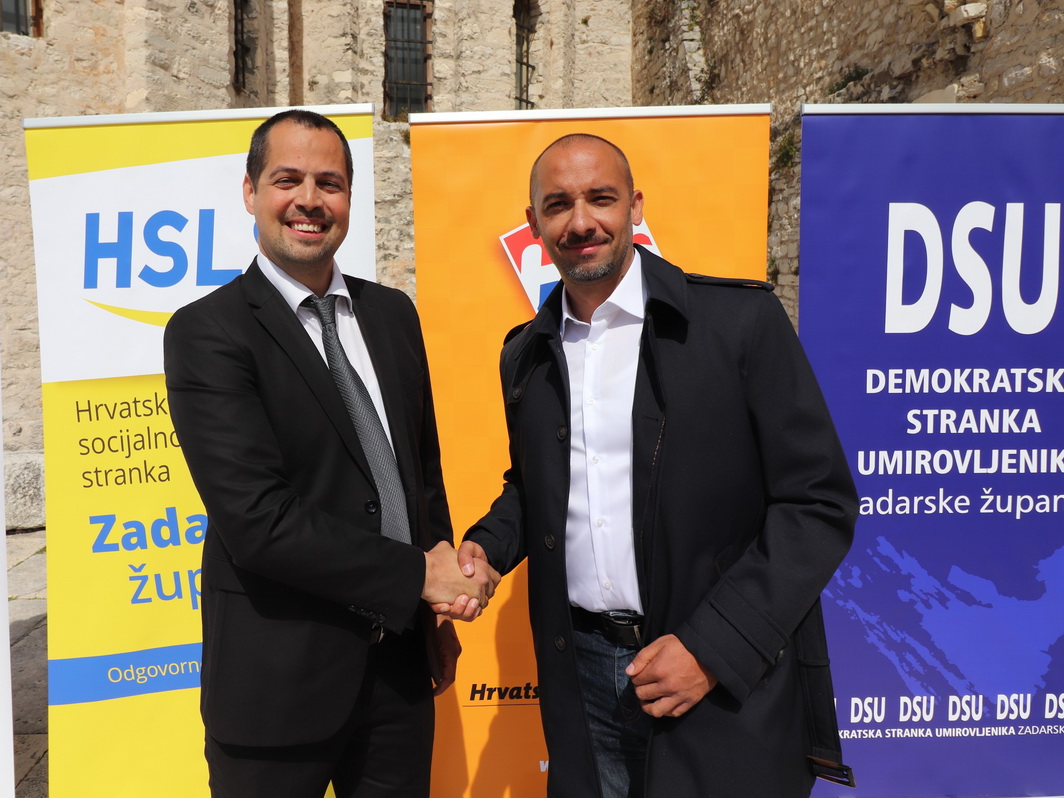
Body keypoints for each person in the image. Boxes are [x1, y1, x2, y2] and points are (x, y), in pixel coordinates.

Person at [455, 133, 858, 797]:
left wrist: (712, 648)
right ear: (534, 224)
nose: (580, 221)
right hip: (581, 676)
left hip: (719, 677)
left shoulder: (739, 323)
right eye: (557, 205)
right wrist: (487, 547)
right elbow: (535, 487)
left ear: (635, 207)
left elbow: (817, 504)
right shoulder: (524, 352)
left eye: (601, 198)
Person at [164, 109, 497, 798]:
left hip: (399, 674)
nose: (309, 200)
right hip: (277, 682)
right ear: (250, 192)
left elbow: (419, 477)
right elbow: (257, 521)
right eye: (287, 180)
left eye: (330, 183)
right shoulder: (208, 332)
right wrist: (418, 577)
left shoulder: (392, 314)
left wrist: (432, 616)